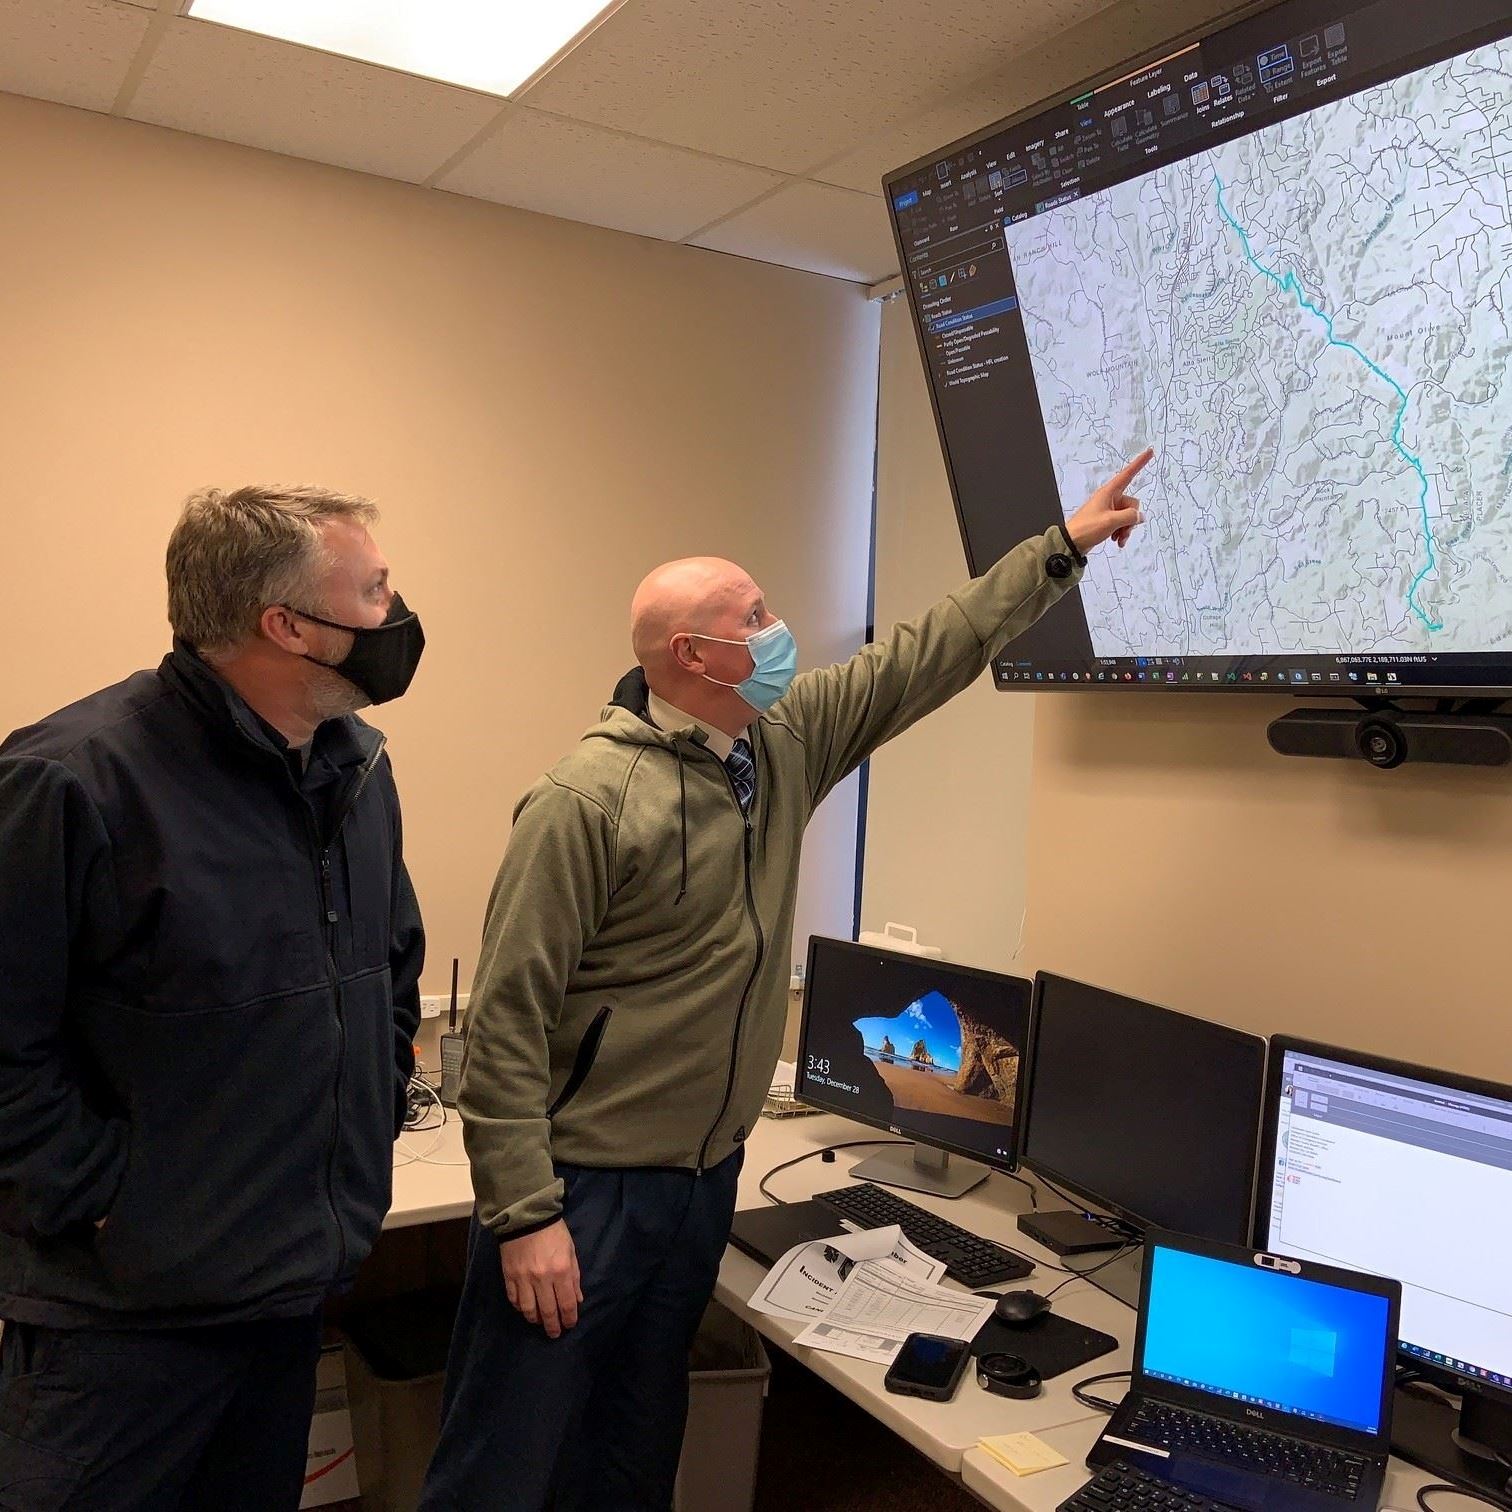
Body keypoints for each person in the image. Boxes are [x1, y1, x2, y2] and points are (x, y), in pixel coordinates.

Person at [421, 451, 1151, 1511]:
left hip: (701, 1178)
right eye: (753, 616)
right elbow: (505, 1025)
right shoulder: (583, 802)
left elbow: (923, 656)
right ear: (693, 654)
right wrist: (524, 1215)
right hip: (582, 1191)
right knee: (506, 1461)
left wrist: (1061, 549)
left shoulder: (781, 743)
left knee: (631, 1450)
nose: (777, 632)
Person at [0, 485, 427, 1510]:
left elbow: (392, 966)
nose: (397, 611)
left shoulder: (355, 769)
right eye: (374, 591)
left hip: (284, 1290)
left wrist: (375, 1088)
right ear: (287, 625)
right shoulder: (73, 779)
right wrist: (111, 1202)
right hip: (123, 1326)